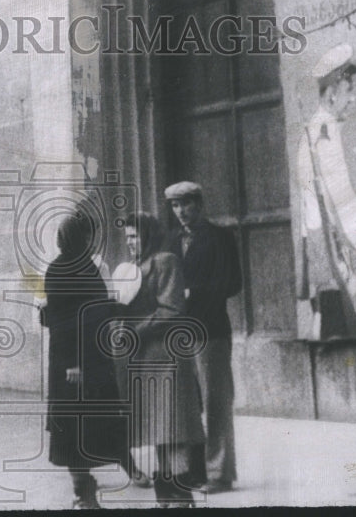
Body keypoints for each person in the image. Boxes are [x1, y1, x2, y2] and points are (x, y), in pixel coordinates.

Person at [297, 43, 356, 340]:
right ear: (333, 91)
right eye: (350, 90)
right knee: (340, 340)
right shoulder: (324, 134)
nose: (353, 99)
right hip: (328, 253)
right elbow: (342, 197)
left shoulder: (318, 130)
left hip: (324, 251)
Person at [40, 212, 127, 509]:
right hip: (73, 365)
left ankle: (87, 494)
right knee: (73, 429)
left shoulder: (87, 267)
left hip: (94, 359)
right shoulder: (60, 270)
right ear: (76, 236)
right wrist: (72, 363)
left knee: (90, 426)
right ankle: (82, 494)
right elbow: (62, 321)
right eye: (87, 235)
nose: (91, 241)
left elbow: (95, 308)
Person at [162, 181, 241, 493]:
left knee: (215, 401)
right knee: (186, 404)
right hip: (177, 333)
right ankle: (192, 471)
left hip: (210, 331)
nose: (181, 211)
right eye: (175, 206)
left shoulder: (220, 238)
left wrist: (192, 293)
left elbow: (233, 283)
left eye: (186, 204)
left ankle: (220, 473)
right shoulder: (170, 240)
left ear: (200, 204)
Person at [123, 213, 206, 507]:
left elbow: (172, 310)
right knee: (160, 432)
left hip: (167, 359)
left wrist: (135, 330)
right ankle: (167, 499)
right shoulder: (133, 268)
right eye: (128, 236)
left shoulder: (166, 261)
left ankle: (181, 500)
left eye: (135, 235)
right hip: (146, 360)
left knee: (174, 433)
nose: (130, 241)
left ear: (149, 235)